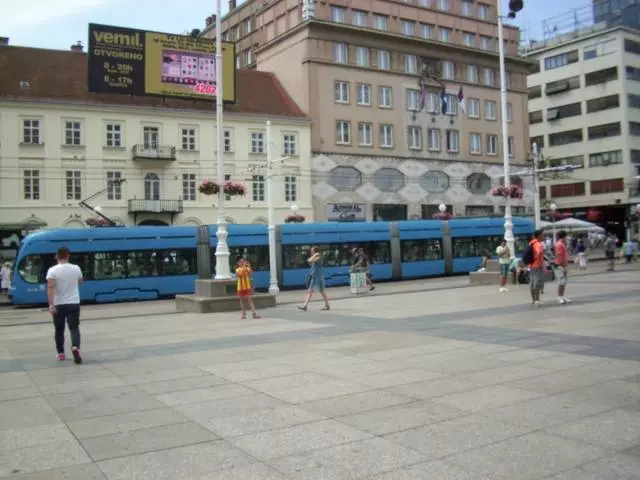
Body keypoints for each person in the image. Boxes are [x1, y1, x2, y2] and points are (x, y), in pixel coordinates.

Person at [46, 247, 83, 364]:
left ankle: (61, 353)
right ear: (68, 256)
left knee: (59, 329)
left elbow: (50, 288)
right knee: (74, 328)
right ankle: (75, 347)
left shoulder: (52, 271)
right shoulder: (76, 268)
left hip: (59, 303)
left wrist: (51, 305)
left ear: (56, 256)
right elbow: (80, 281)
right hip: (73, 302)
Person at [298, 246, 330, 311]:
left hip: (319, 276)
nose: (311, 252)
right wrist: (313, 256)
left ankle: (327, 305)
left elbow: (310, 260)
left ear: (315, 252)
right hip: (313, 276)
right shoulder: (314, 257)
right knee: (309, 291)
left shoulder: (319, 257)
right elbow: (309, 261)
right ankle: (305, 306)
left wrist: (315, 255)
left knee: (322, 291)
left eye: (312, 251)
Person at [527, 229, 545, 307]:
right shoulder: (538, 244)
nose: (543, 236)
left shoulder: (531, 242)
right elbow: (538, 252)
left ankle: (534, 300)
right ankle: (537, 300)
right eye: (542, 235)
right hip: (537, 266)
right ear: (539, 235)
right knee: (537, 283)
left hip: (531, 266)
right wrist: (538, 255)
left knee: (532, 283)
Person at [554, 230, 571, 304]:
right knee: (561, 282)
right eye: (566, 236)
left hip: (564, 265)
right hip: (561, 265)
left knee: (564, 282)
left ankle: (562, 296)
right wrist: (563, 265)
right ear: (564, 236)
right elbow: (559, 256)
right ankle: (559, 297)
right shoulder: (560, 244)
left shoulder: (561, 244)